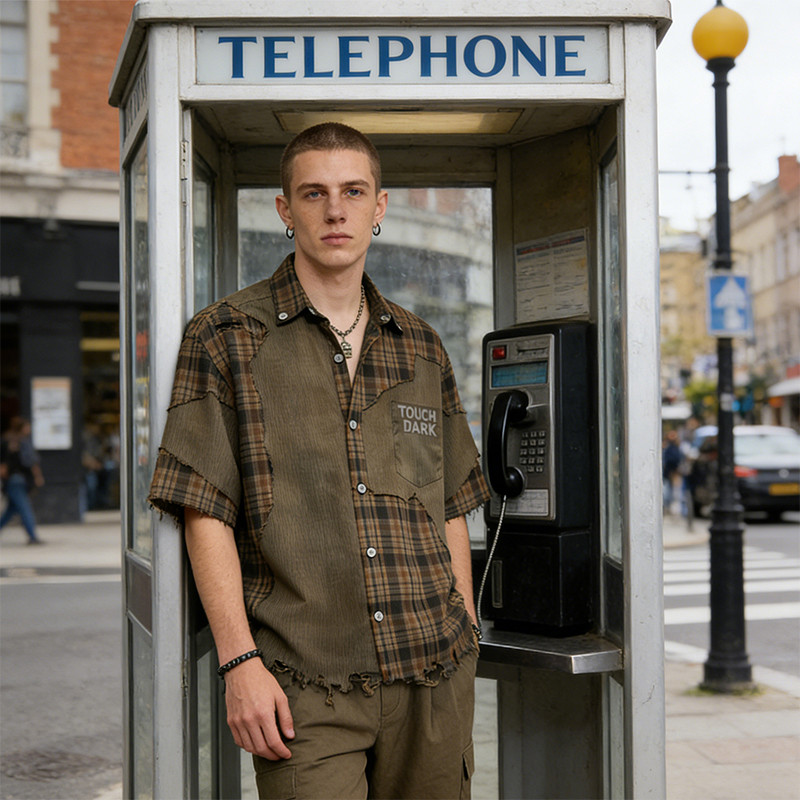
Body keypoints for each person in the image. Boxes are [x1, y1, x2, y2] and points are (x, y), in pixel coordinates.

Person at [148, 122, 490, 799]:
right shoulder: (225, 337)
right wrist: (239, 661)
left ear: (379, 207)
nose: (336, 210)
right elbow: (202, 508)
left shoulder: (421, 346)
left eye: (353, 191)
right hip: (303, 686)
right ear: (285, 210)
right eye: (315, 193)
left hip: (433, 673)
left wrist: (468, 626)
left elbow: (450, 501)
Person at [0, 417, 45, 544]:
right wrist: (38, 476)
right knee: (25, 508)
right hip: (17, 479)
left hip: (12, 479)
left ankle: (32, 535)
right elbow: (31, 462)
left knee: (11, 510)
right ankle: (32, 536)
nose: (29, 429)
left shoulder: (6, 440)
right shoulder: (22, 442)